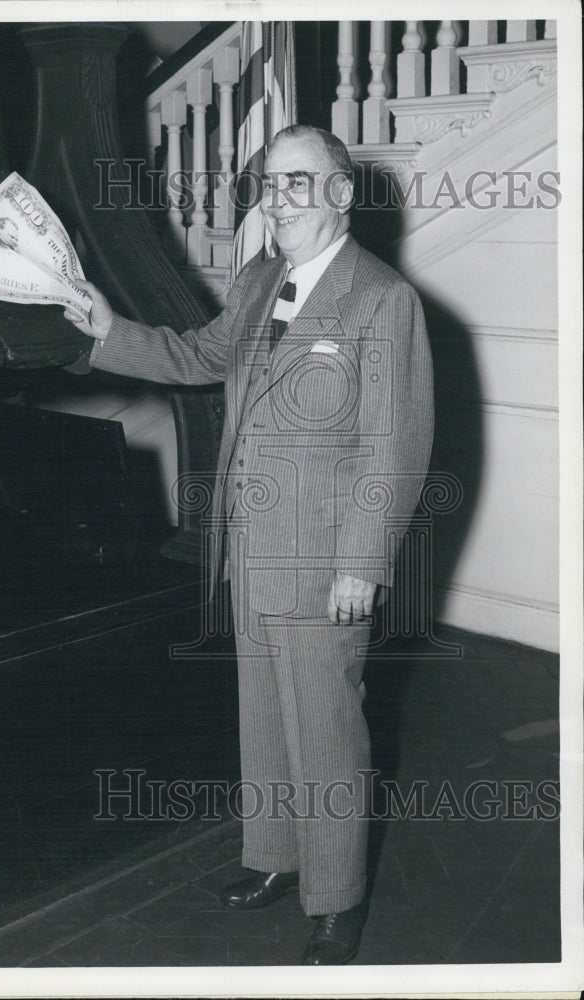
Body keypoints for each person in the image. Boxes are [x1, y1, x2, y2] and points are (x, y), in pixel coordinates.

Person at [64, 125, 434, 965]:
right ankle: (275, 858)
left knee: (329, 730)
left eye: (300, 183)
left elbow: (396, 448)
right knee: (265, 715)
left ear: (341, 194)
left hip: (324, 556)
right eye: (270, 184)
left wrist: (359, 566)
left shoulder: (382, 300)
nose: (279, 198)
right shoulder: (261, 276)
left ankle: (336, 902)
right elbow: (200, 356)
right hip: (249, 541)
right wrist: (107, 326)